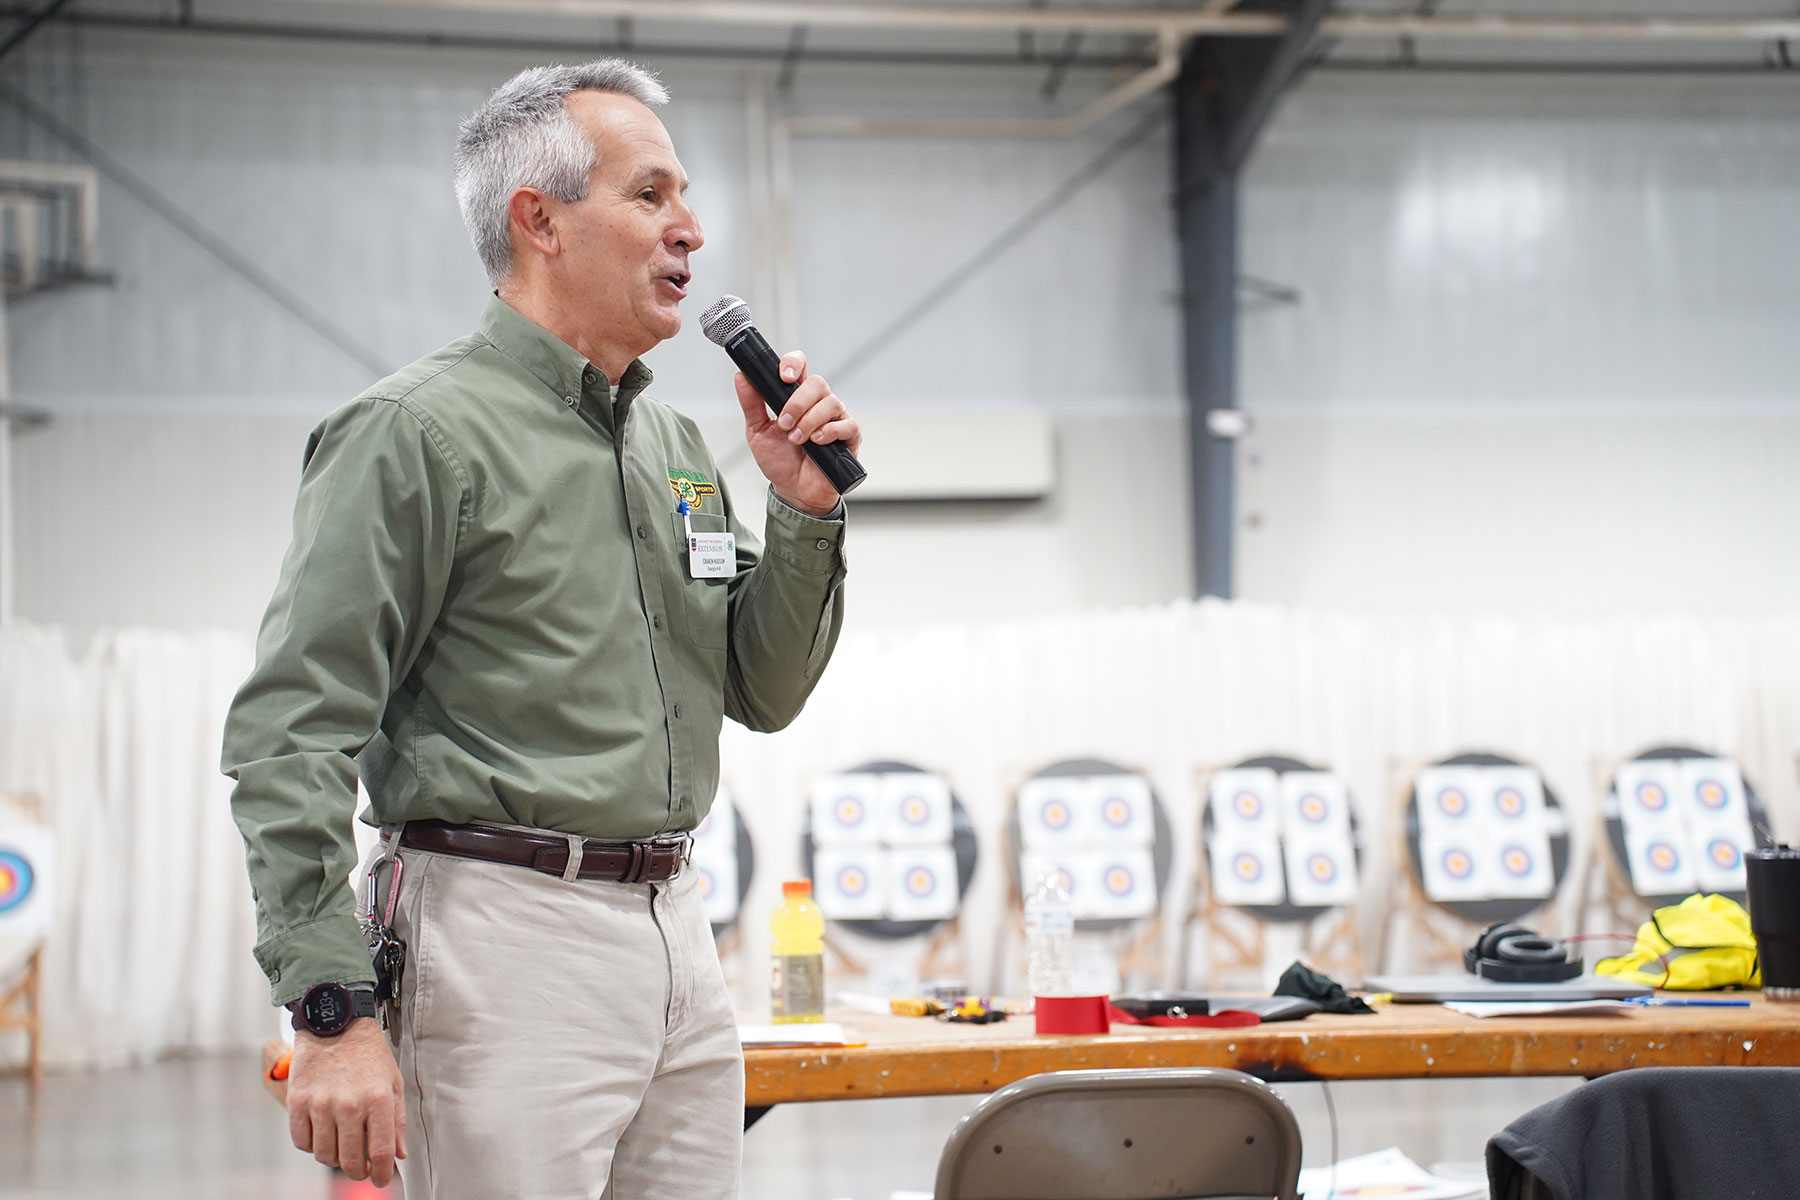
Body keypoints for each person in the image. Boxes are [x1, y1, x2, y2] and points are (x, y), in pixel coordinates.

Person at [221, 59, 857, 1199]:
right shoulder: (412, 435)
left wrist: (802, 511)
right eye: (651, 194)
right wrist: (331, 1010)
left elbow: (761, 690)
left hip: (676, 930)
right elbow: (290, 734)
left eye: (684, 197)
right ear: (541, 220)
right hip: (498, 940)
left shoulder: (666, 444)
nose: (692, 230)